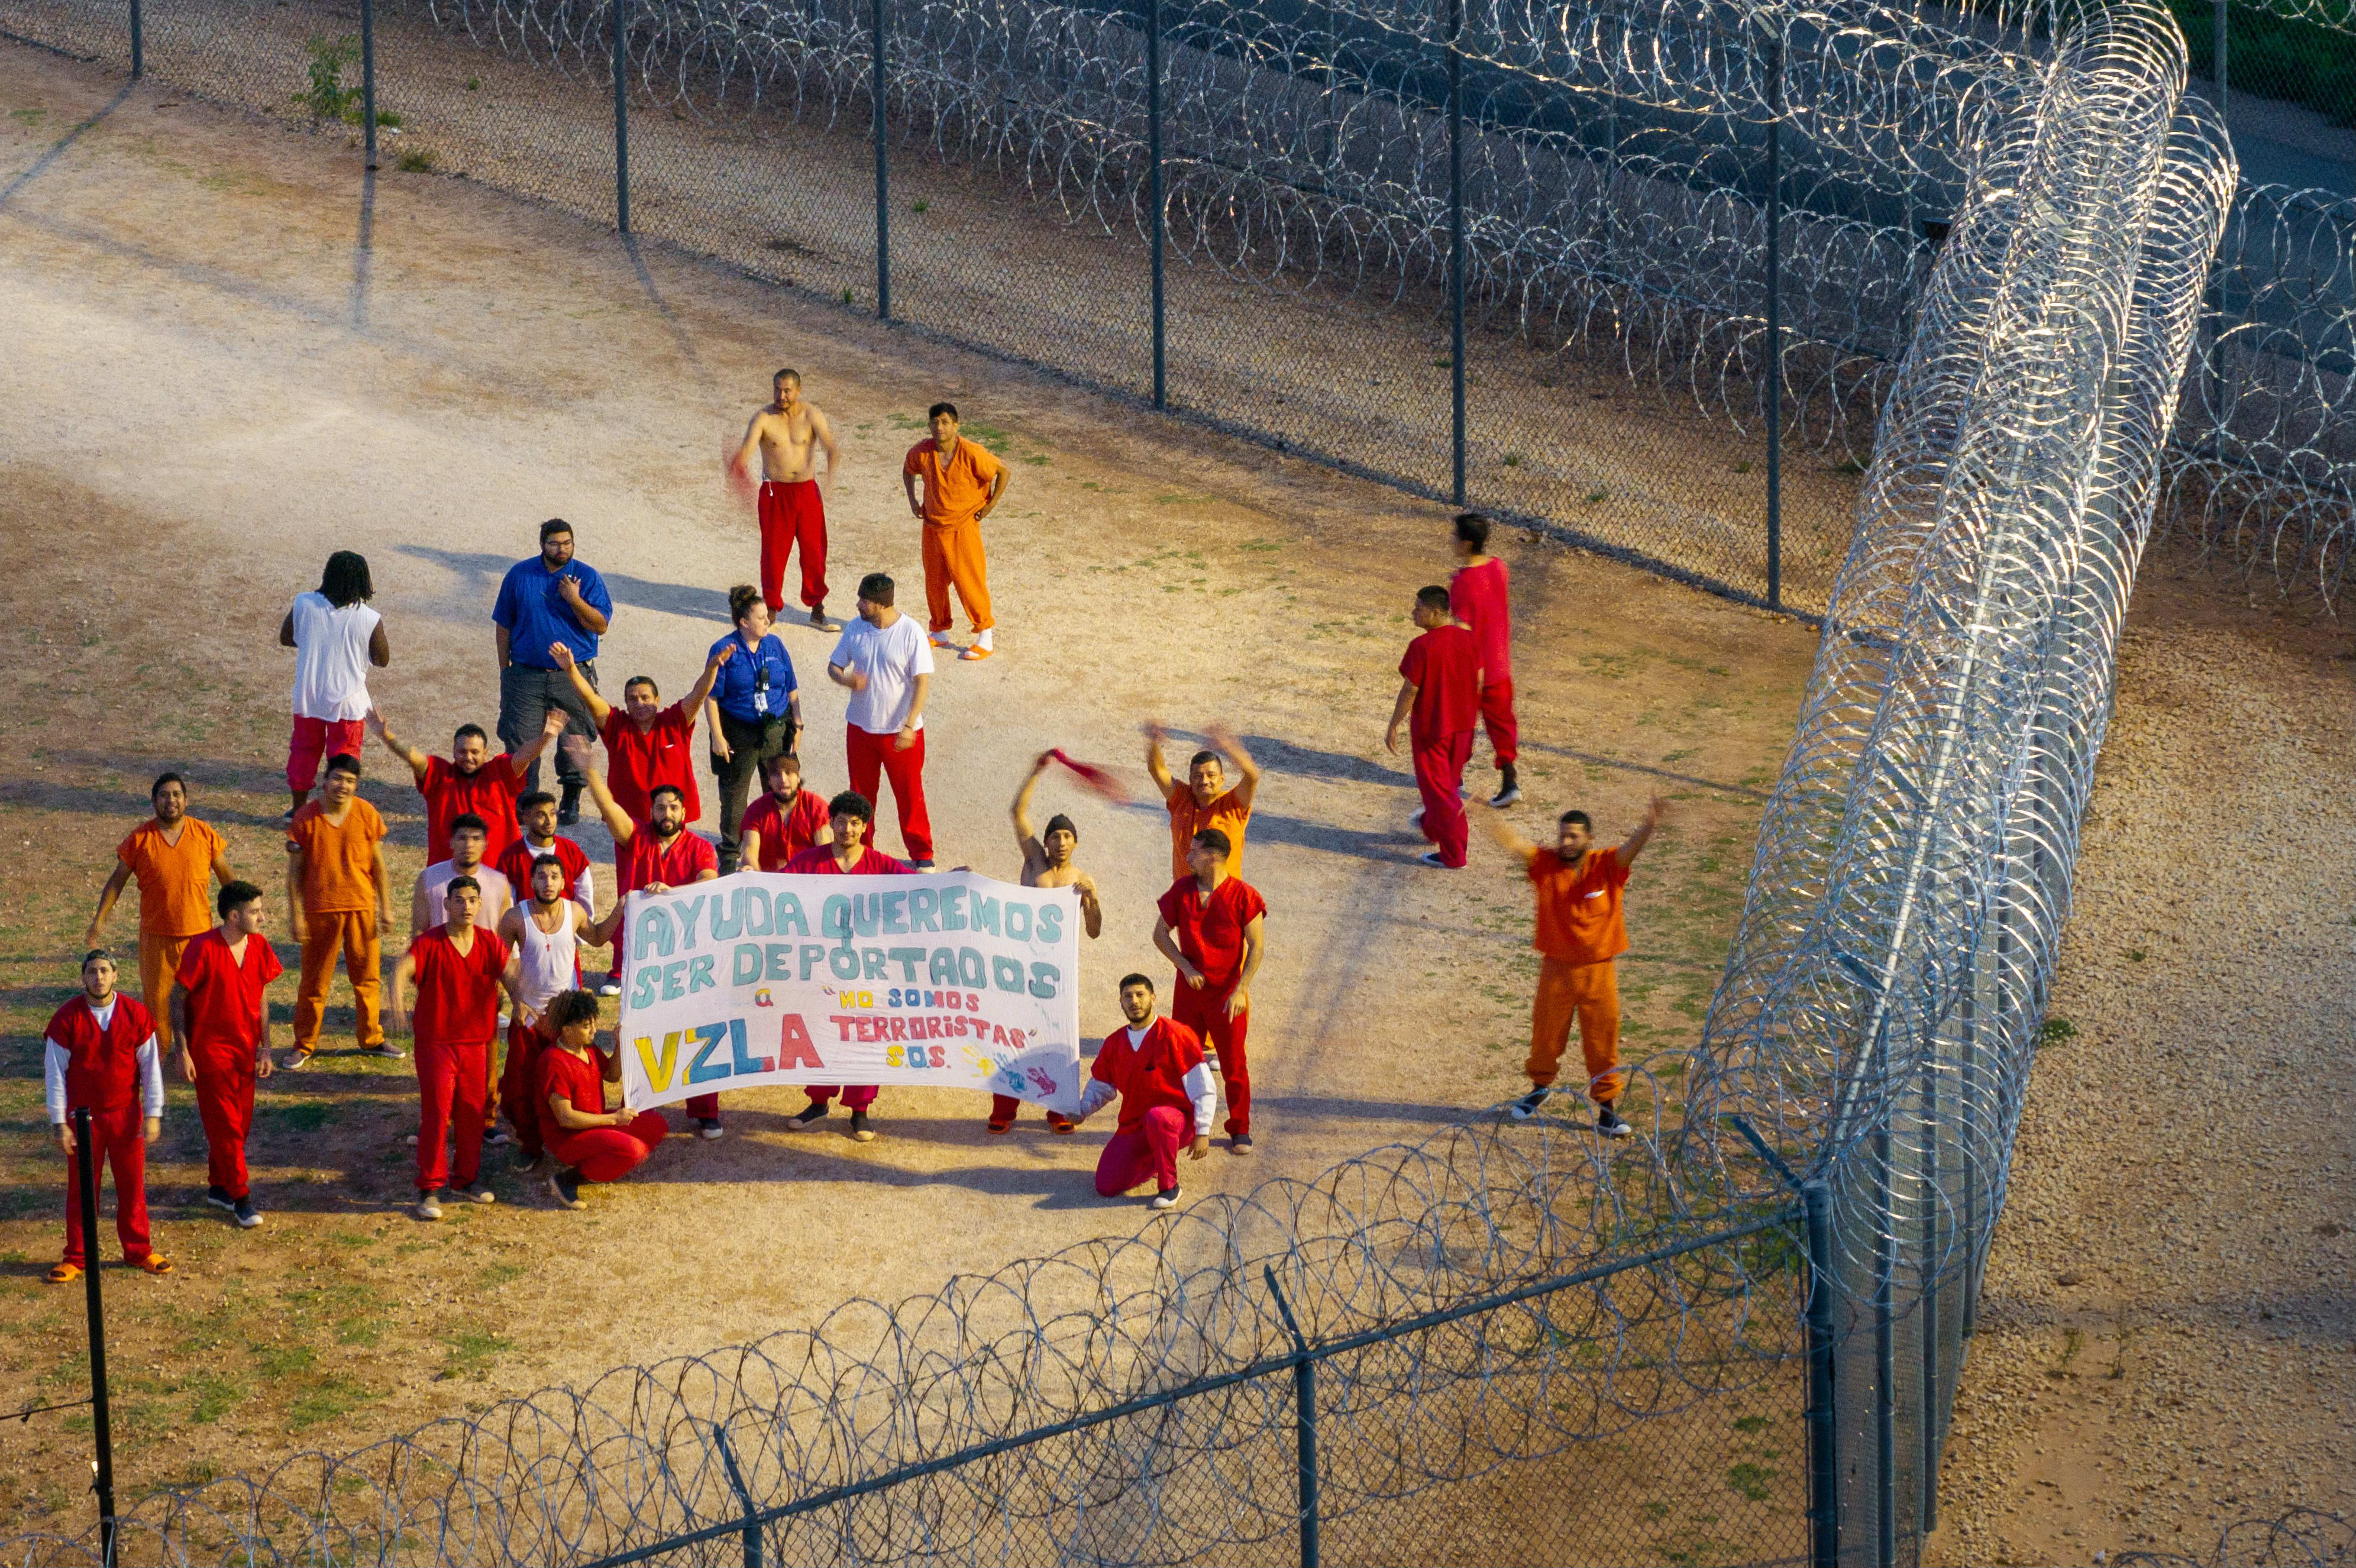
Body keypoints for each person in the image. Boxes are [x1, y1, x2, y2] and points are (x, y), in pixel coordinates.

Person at [1478, 795, 1666, 1137]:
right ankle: (1539, 1090)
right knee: (1545, 1037)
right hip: (1557, 970)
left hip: (1599, 972)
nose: (1565, 842)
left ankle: (1607, 1109)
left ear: (1588, 839)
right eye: (1562, 835)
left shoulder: (1607, 866)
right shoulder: (1545, 864)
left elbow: (1631, 850)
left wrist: (1648, 826)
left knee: (1602, 1042)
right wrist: (1486, 816)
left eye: (1573, 836)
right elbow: (1515, 844)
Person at [579, 768, 726, 1137]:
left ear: (684, 812)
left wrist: (671, 893)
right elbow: (609, 807)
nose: (667, 814)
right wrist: (589, 771)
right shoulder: (635, 838)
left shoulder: (701, 848)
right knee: (641, 1030)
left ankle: (706, 1110)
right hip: (642, 959)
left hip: (688, 955)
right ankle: (640, 1103)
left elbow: (708, 883)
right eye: (660, 807)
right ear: (652, 812)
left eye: (674, 807)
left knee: (697, 1029)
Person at [781, 791, 910, 1142]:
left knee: (865, 1036)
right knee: (819, 1032)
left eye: (855, 823)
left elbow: (919, 888)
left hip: (868, 971)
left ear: (865, 827)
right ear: (831, 824)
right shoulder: (809, 861)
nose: (847, 829)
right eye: (841, 822)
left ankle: (860, 1111)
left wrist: (953, 881)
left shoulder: (882, 864)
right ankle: (818, 1103)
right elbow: (775, 889)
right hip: (820, 969)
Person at [390, 876, 521, 1219]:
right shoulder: (430, 942)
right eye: (459, 900)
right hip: (437, 1043)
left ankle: (466, 1179)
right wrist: (397, 1000)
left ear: (480, 905)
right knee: (437, 1113)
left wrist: (521, 1002)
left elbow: (510, 974)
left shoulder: (489, 942)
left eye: (472, 900)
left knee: (472, 1114)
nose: (466, 907)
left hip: (476, 1043)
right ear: (447, 905)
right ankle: (430, 1188)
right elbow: (402, 968)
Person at [990, 754, 1103, 1135]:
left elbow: (1094, 931)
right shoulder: (1034, 861)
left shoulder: (1081, 878)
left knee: (1057, 1040)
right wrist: (1036, 771)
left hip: (1057, 970)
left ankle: (1058, 1110)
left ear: (1076, 842)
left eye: (1067, 836)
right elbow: (1017, 812)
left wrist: (1093, 899)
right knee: (1012, 1036)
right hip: (1021, 961)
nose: (1060, 842)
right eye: (1055, 836)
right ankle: (1004, 1110)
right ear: (1047, 841)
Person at [86, 772, 236, 1059]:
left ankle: (200, 1058)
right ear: (154, 801)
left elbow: (228, 880)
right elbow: (116, 882)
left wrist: (240, 916)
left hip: (199, 938)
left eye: (177, 795)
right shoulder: (140, 839)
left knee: (201, 1001)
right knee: (158, 1005)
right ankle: (160, 1061)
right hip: (156, 940)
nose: (171, 801)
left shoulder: (204, 834)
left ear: (186, 800)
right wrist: (99, 920)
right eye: (164, 796)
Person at [45, 950, 170, 1282]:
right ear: (83, 977)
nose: (98, 978)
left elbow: (151, 1069)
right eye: (92, 972)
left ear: (116, 975)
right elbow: (55, 1074)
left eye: (104, 971)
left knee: (132, 1187)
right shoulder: (67, 1019)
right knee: (83, 1190)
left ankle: (139, 1251)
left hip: (126, 1117)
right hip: (83, 1121)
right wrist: (59, 1123)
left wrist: (153, 1113)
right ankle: (77, 1256)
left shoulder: (136, 1015)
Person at [167, 881, 280, 1228]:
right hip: (211, 1053)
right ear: (234, 916)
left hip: (246, 1051)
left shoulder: (259, 946)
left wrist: (266, 1047)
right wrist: (182, 1050)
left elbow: (261, 996)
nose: (262, 918)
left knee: (239, 1126)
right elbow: (176, 997)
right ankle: (242, 1198)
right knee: (228, 1127)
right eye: (255, 912)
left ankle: (219, 1187)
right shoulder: (202, 948)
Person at [1152, 828, 1266, 1153]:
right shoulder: (1182, 890)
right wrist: (1185, 967)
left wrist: (1242, 989)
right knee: (1181, 1060)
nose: (1187, 856)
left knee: (1234, 1063)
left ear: (1213, 856)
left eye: (1194, 851)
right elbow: (1160, 935)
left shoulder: (1245, 896)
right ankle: (1182, 1123)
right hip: (1189, 991)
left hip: (1227, 996)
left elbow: (1257, 946)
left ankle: (1239, 1127)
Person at [492, 518, 614, 820]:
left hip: (574, 674)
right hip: (525, 675)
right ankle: (526, 802)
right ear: (542, 545)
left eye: (567, 543)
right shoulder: (520, 575)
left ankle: (571, 798)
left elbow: (601, 625)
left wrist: (574, 599)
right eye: (555, 544)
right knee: (521, 738)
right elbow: (504, 623)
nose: (562, 549)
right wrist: (505, 670)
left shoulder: (587, 577)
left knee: (576, 736)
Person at [1068, 974, 1215, 1211]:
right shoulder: (1114, 1043)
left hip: (1176, 1122)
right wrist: (1082, 1110)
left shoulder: (1177, 1034)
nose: (1134, 1001)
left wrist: (1203, 1131)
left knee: (1159, 1118)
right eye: (1128, 996)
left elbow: (1203, 1086)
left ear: (1153, 998)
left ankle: (1170, 1186)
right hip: (1134, 1124)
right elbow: (1101, 1086)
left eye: (1140, 995)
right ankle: (1155, 1159)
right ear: (1121, 1002)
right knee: (1106, 1185)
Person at [285, 754, 393, 1068]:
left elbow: (378, 865)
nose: (343, 786)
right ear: (325, 780)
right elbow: (294, 872)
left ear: (356, 786)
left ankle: (372, 1038)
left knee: (368, 978)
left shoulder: (366, 813)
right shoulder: (305, 817)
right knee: (314, 982)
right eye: (338, 779)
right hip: (321, 909)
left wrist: (386, 906)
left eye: (350, 781)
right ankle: (305, 1044)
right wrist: (296, 914)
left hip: (361, 908)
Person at [551, 639, 724, 829]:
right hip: (629, 821)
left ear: (657, 700)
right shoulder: (616, 726)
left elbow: (699, 694)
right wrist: (571, 669)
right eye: (633, 699)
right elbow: (590, 698)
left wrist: (712, 668)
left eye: (645, 698)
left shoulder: (675, 722)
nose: (640, 704)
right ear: (626, 703)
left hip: (672, 819)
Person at [828, 573, 936, 868]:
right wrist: (846, 680)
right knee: (861, 797)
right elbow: (834, 666)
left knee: (909, 795)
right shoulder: (856, 628)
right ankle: (862, 852)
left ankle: (922, 855)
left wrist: (909, 725)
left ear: (881, 604)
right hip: (860, 728)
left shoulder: (911, 632)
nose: (858, 605)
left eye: (864, 600)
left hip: (899, 732)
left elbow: (922, 682)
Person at [370, 707, 565, 867]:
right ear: (454, 751)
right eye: (462, 752)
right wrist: (386, 736)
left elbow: (525, 756)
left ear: (485, 753)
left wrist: (547, 736)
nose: (468, 758)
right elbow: (412, 757)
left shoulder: (500, 773)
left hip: (500, 874)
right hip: (450, 878)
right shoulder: (440, 776)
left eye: (475, 752)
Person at [497, 855, 597, 1168]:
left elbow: (598, 938)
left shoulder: (575, 911)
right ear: (531, 881)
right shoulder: (515, 917)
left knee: (568, 1086)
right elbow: (501, 961)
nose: (548, 882)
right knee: (521, 1086)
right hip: (529, 1017)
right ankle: (530, 1145)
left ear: (564, 882)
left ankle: (573, 1140)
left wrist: (624, 907)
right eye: (542, 876)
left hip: (564, 1020)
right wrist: (516, 1000)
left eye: (555, 876)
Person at [280, 550, 390, 822]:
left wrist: (314, 643)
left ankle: (298, 810)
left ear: (327, 576)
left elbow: (287, 637)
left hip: (309, 696)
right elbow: (382, 660)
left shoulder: (304, 603)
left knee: (303, 752)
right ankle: (335, 812)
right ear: (364, 582)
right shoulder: (369, 618)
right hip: (349, 703)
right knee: (344, 758)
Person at [729, 368, 842, 627]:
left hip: (806, 491)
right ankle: (770, 609)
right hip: (775, 493)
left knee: (814, 551)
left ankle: (817, 608)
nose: (782, 396)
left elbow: (832, 449)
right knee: (773, 555)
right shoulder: (763, 418)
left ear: (798, 390)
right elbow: (745, 454)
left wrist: (830, 480)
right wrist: (740, 474)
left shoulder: (811, 415)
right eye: (778, 390)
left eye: (787, 391)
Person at [537, 990, 670, 1209]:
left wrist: (620, 1044)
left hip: (593, 1123)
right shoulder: (554, 1062)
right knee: (634, 1151)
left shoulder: (587, 1049)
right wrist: (614, 1119)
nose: (594, 1030)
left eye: (593, 1023)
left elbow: (612, 1075)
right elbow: (566, 1118)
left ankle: (598, 1161)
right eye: (586, 1026)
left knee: (656, 1125)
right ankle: (569, 1179)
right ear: (566, 1030)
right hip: (568, 1137)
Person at [706, 584, 802, 872]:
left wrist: (798, 723)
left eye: (767, 616)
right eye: (761, 618)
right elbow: (711, 697)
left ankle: (778, 851)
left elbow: (791, 687)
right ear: (743, 622)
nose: (768, 622)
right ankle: (729, 858)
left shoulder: (775, 645)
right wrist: (718, 737)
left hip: (775, 730)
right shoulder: (725, 650)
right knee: (735, 798)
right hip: (739, 732)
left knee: (781, 790)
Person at [1386, 585, 1481, 870]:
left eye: (1419, 608)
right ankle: (1431, 826)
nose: (1413, 612)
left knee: (1442, 794)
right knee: (1445, 786)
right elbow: (1479, 680)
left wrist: (1394, 725)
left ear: (1436, 612)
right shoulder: (1470, 640)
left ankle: (1454, 855)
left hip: (1433, 731)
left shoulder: (1422, 646)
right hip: (1463, 729)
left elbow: (1410, 690)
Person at [901, 402, 1006, 659]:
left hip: (963, 527)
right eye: (935, 422)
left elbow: (1003, 471)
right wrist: (913, 500)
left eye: (945, 422)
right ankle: (939, 631)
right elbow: (908, 470)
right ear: (929, 425)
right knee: (934, 582)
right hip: (932, 528)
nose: (940, 427)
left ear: (956, 426)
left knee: (969, 581)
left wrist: (990, 505)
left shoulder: (972, 452)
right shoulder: (922, 452)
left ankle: (985, 636)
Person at [1449, 513, 1521, 807]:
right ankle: (1510, 781)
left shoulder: (1461, 582)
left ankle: (1453, 779)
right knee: (1501, 724)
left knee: (1461, 724)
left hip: (1473, 668)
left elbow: (1463, 628)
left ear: (1467, 543)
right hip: (1500, 665)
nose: (1452, 541)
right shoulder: (1500, 567)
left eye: (1455, 536)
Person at [1143, 722, 1261, 882]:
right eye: (1198, 776)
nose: (1205, 781)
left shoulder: (1233, 806)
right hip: (1187, 895)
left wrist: (1229, 747)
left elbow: (1252, 776)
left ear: (1222, 779)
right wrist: (1153, 741)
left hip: (1225, 895)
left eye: (1211, 775)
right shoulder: (1181, 800)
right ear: (1190, 780)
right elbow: (1157, 770)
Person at [495, 791, 597, 923]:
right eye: (541, 815)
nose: (549, 821)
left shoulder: (572, 851)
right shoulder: (510, 857)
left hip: (566, 929)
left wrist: (579, 930)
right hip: (526, 930)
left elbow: (585, 895)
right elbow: (505, 905)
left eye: (552, 814)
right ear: (526, 818)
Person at [411, 813, 516, 940]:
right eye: (462, 838)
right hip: (440, 951)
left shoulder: (499, 883)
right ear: (451, 842)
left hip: (486, 953)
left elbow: (505, 935)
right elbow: (419, 932)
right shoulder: (429, 879)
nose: (469, 844)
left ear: (485, 844)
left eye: (476, 839)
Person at [738, 752, 832, 872]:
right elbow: (749, 853)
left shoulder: (816, 806)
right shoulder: (756, 810)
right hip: (770, 879)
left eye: (789, 773)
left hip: (809, 877)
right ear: (769, 781)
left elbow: (825, 853)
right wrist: (758, 879)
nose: (783, 780)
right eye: (777, 774)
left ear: (798, 778)